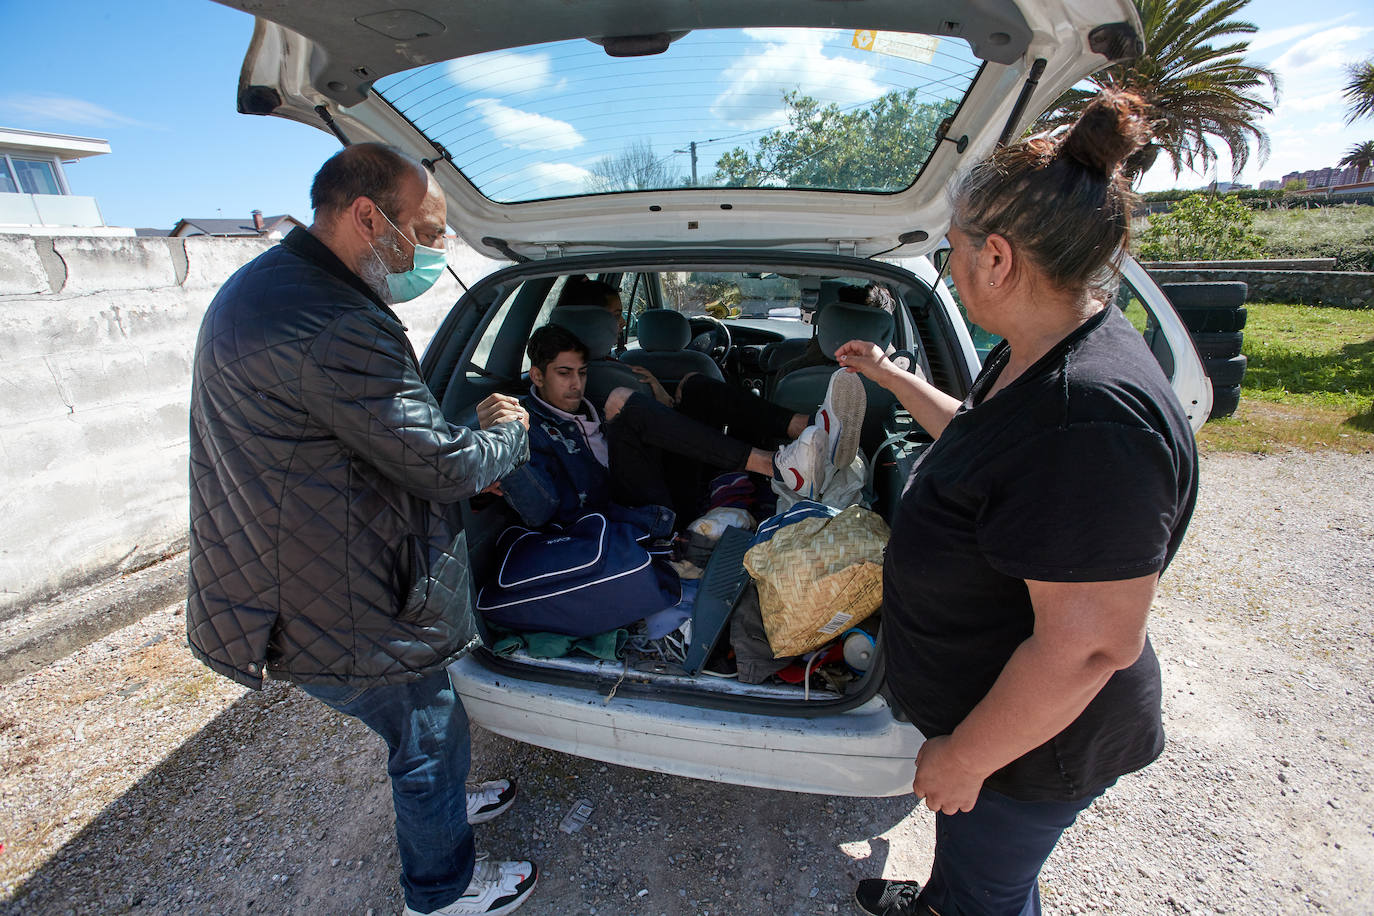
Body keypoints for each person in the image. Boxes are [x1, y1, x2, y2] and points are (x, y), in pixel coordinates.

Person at [837, 90, 1199, 916]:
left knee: (989, 895)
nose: (950, 266)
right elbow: (982, 438)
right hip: (1006, 720)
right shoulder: (1046, 349)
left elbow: (1089, 649)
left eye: (948, 250)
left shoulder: (1090, 417)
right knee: (978, 867)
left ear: (996, 259)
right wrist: (891, 376)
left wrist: (965, 756)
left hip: (1037, 745)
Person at [187, 143, 540, 916]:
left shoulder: (265, 288)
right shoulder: (332, 320)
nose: (437, 252)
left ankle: (442, 801)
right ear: (368, 217)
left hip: (284, 567)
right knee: (428, 731)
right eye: (431, 231)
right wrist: (506, 432)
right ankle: (441, 889)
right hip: (333, 590)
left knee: (424, 729)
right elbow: (446, 469)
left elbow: (363, 436)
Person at [497, 324, 865, 527]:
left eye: (582, 372)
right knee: (621, 399)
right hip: (627, 513)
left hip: (663, 486)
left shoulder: (587, 403)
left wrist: (660, 396)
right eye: (564, 374)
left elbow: (647, 439)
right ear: (536, 375)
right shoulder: (528, 425)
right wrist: (507, 438)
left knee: (693, 384)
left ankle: (809, 427)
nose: (576, 383)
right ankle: (778, 467)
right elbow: (543, 507)